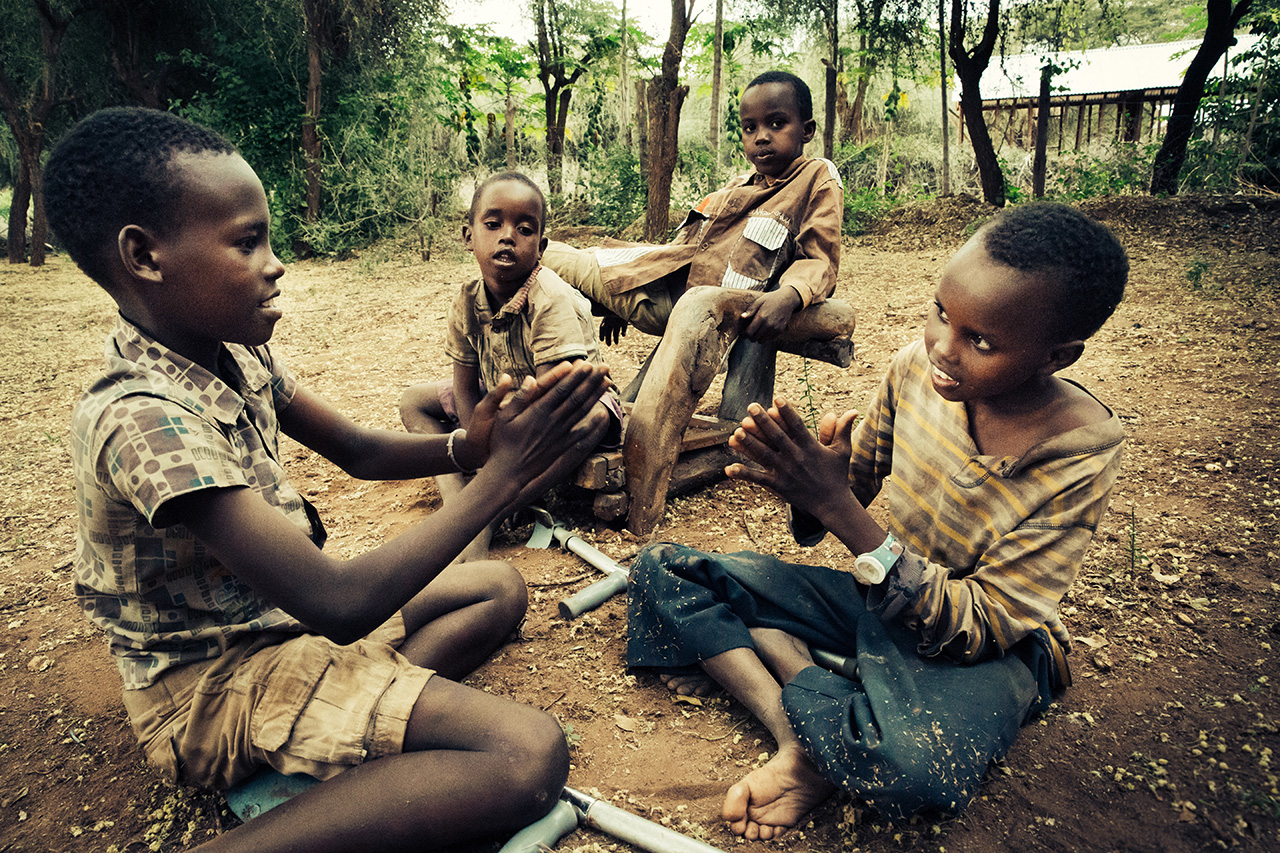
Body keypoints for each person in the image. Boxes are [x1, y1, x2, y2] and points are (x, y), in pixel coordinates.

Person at [45, 107, 612, 853]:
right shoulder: (144, 421)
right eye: (248, 242)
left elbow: (356, 450)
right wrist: (505, 475)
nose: (275, 263)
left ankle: (347, 718)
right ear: (145, 256)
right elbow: (339, 603)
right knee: (529, 756)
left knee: (497, 588)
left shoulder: (232, 353)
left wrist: (465, 447)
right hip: (213, 688)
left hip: (282, 628)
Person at [625, 202, 1130, 840]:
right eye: (942, 313)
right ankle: (799, 732)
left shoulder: (1077, 457)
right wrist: (821, 483)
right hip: (879, 599)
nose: (942, 348)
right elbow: (843, 498)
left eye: (980, 341)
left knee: (919, 769)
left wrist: (838, 508)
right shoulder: (915, 371)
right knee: (666, 570)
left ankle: (814, 688)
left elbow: (977, 625)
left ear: (1058, 356)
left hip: (985, 650)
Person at [398, 171, 623, 560]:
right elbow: (466, 388)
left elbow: (558, 404)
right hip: (504, 403)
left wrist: (501, 463)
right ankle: (460, 503)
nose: (508, 236)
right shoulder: (467, 301)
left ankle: (488, 514)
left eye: (524, 228)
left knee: (594, 420)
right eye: (493, 224)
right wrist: (477, 446)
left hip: (566, 409)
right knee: (413, 401)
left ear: (541, 245)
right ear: (468, 236)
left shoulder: (549, 298)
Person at [542, 69, 842, 347]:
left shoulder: (816, 176)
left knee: (544, 254)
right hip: (656, 286)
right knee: (535, 274)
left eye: (777, 123)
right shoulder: (738, 186)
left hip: (685, 308)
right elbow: (685, 246)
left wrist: (789, 296)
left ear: (807, 130)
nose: (761, 136)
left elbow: (819, 259)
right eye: (750, 128)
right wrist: (618, 296)